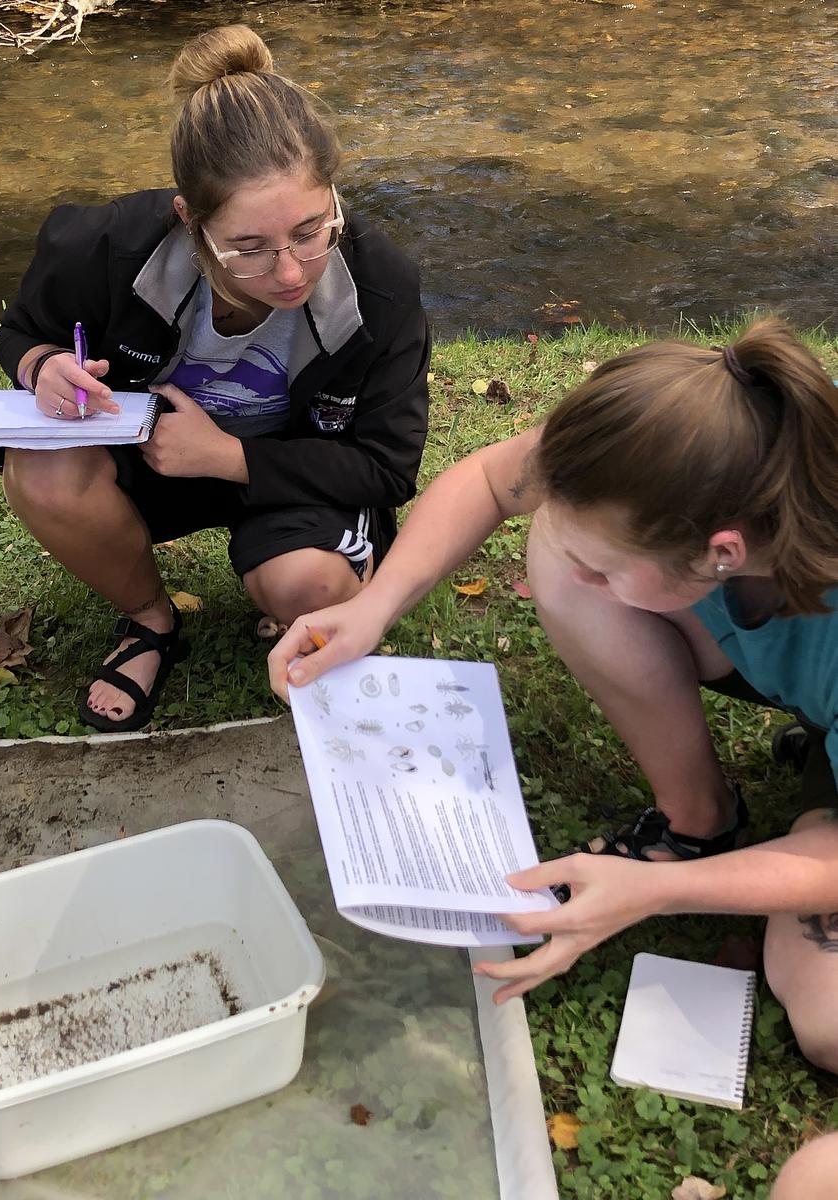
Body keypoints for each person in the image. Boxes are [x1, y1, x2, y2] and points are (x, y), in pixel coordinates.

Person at [269, 318, 838, 1195]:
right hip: (798, 666)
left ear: (722, 550)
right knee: (566, 549)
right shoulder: (687, 443)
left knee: (829, 1021)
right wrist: (375, 605)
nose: (578, 584)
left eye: (613, 571)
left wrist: (658, 891)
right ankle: (699, 824)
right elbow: (498, 478)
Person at [0, 24, 430, 733]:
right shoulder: (101, 246)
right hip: (146, 464)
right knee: (40, 472)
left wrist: (227, 457)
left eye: (312, 231)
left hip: (291, 476)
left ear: (333, 201)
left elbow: (387, 467)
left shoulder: (381, 290)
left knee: (311, 586)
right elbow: (20, 332)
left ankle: (298, 579)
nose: (289, 273)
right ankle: (149, 622)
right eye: (249, 248)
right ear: (189, 221)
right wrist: (43, 367)